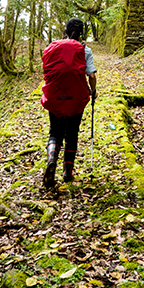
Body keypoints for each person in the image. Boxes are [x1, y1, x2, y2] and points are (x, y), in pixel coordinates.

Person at [39, 18, 98, 190]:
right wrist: (92, 92)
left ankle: (51, 159)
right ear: (82, 33)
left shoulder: (53, 47)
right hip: (76, 98)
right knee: (72, 133)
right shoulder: (85, 49)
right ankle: (67, 172)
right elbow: (92, 76)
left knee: (55, 131)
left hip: (55, 96)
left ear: (66, 31)